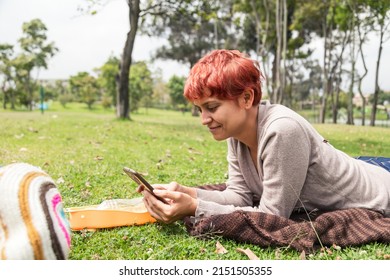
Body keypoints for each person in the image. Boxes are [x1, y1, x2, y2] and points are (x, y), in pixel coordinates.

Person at [138, 49, 390, 224]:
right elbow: (238, 196)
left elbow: (273, 218)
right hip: (363, 165)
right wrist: (188, 193)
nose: (204, 119)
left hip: (382, 190)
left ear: (246, 98)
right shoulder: (235, 134)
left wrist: (196, 208)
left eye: (212, 108)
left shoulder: (282, 130)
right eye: (200, 109)